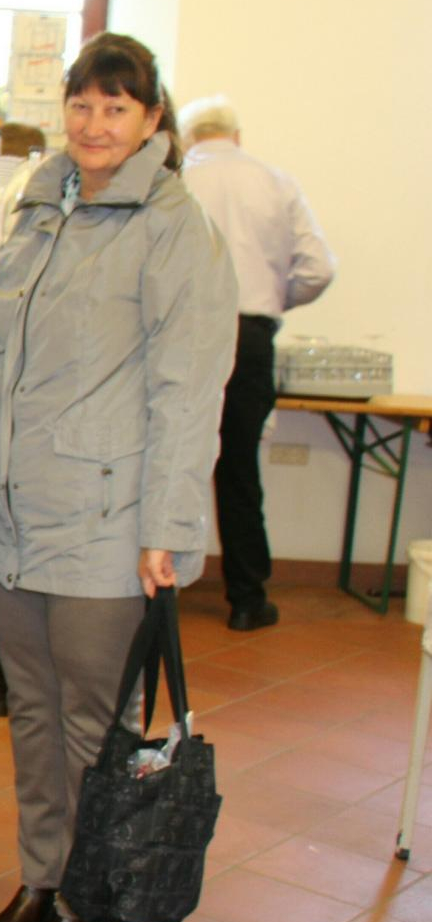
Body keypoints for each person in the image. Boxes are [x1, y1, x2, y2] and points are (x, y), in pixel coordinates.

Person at [0, 33, 234, 922]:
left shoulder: (175, 227)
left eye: (117, 107)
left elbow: (189, 391)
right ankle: (41, 881)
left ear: (152, 119)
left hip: (108, 523)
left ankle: (88, 904)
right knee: (31, 715)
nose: (94, 123)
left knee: (92, 728)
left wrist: (168, 530)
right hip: (12, 515)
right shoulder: (41, 208)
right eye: (82, 104)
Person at [180, 95, 337, 632]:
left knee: (168, 459)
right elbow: (318, 268)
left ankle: (152, 589)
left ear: (186, 138)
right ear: (238, 136)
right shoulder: (276, 182)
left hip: (185, 332)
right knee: (240, 468)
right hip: (249, 335)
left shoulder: (177, 181)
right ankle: (247, 599)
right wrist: (273, 299)